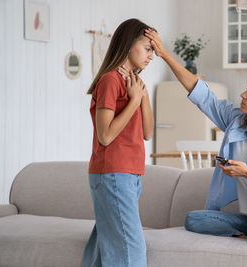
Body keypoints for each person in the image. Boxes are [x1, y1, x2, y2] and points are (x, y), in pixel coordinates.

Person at [144, 29, 247, 243]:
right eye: (246, 89)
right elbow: (202, 95)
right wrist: (164, 55)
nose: (242, 95)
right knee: (194, 220)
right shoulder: (236, 122)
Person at [83, 19, 155, 267]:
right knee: (131, 250)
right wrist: (134, 100)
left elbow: (148, 132)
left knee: (108, 244)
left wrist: (141, 95)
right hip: (113, 172)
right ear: (128, 44)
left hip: (130, 173)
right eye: (147, 48)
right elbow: (105, 135)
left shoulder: (136, 84)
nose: (152, 56)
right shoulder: (110, 81)